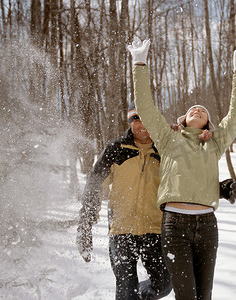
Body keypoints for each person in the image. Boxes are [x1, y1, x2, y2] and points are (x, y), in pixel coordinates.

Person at [127, 38, 236, 300]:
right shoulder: (168, 138)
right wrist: (139, 64)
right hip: (175, 225)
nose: (197, 109)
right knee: (186, 296)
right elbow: (146, 109)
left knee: (204, 296)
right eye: (191, 109)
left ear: (207, 123)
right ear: (184, 120)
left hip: (208, 225)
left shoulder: (214, 144)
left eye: (202, 110)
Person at [76, 102, 172, 300]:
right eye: (136, 118)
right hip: (121, 231)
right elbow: (95, 185)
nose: (142, 123)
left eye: (146, 117)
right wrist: (85, 225)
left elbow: (186, 179)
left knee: (164, 284)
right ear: (130, 122)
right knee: (126, 289)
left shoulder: (165, 151)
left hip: (154, 230)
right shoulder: (116, 148)